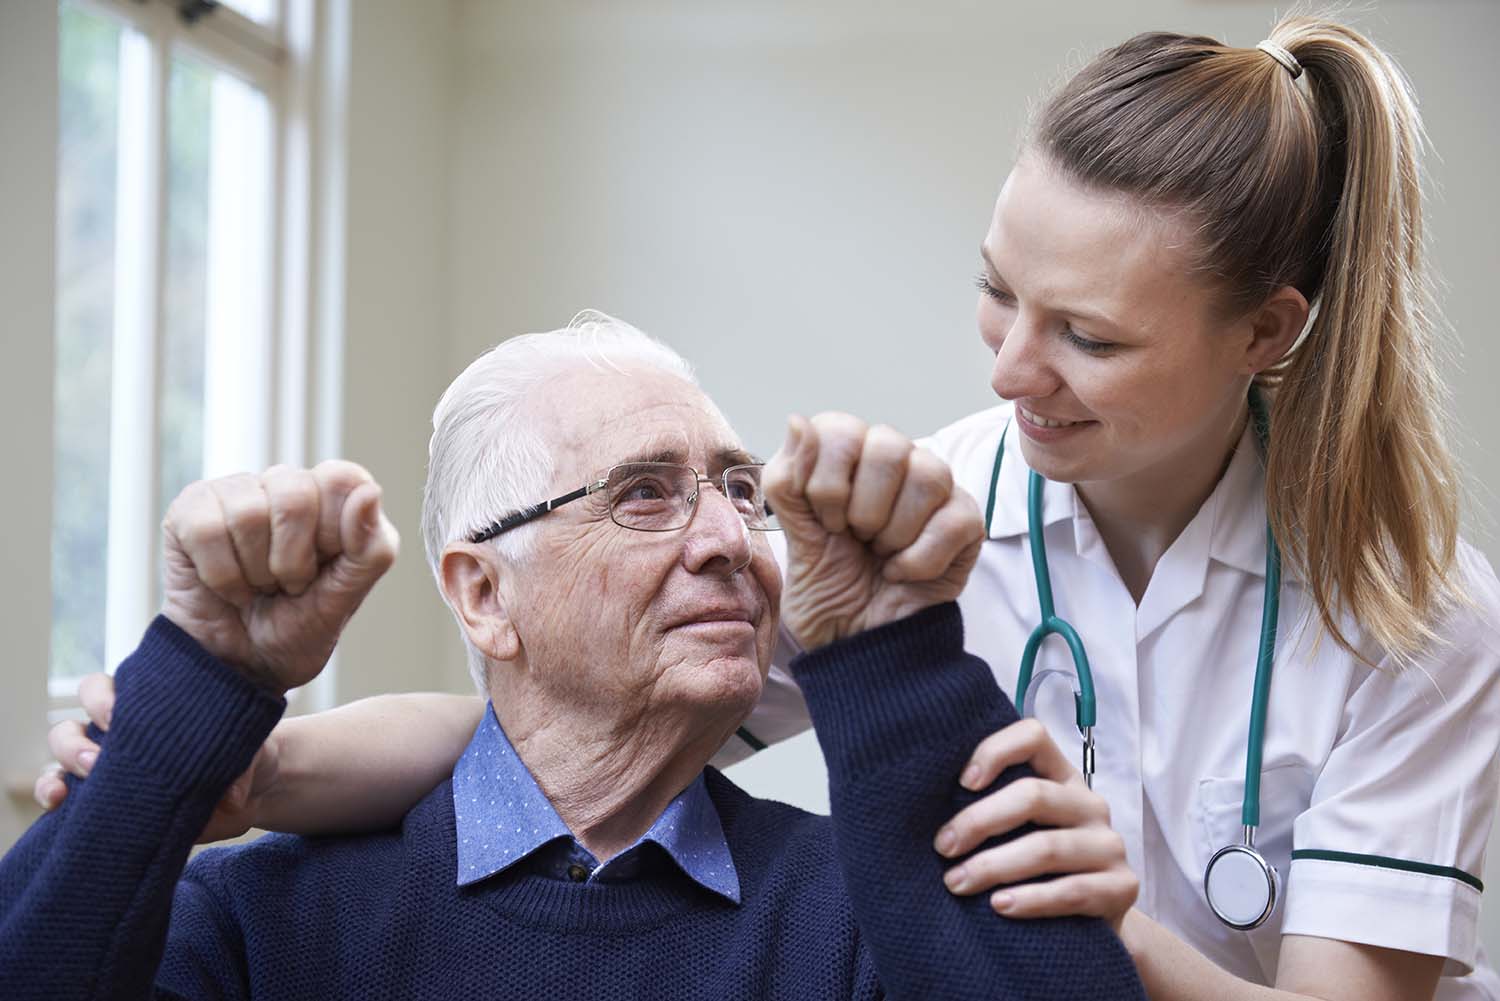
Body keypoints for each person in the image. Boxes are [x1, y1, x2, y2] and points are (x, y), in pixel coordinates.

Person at [38, 11, 1500, 1001]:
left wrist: (1105, 914)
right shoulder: (925, 522)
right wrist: (231, 758)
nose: (1008, 368)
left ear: (1269, 332)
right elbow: (553, 722)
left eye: (1090, 339)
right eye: (996, 292)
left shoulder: (1416, 615)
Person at [0, 318, 1147, 1000]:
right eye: (645, 494)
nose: (726, 543)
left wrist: (893, 648)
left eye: (741, 493)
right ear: (485, 594)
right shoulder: (263, 915)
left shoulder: (857, 910)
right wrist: (202, 681)